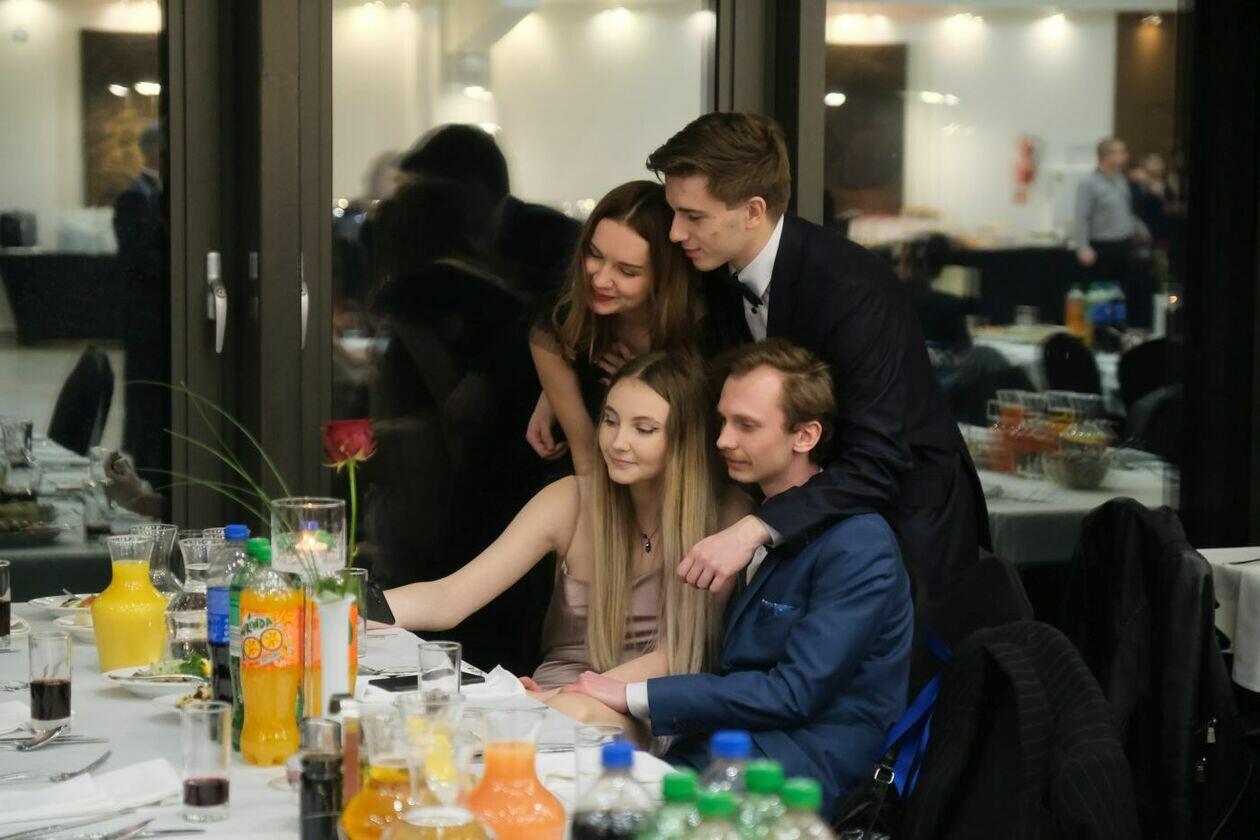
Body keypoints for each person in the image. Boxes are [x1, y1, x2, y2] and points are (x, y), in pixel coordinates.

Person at [644, 112, 987, 606]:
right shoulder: (715, 267)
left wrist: (755, 528)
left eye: (693, 217)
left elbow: (877, 460)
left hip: (906, 520)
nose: (676, 233)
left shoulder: (851, 289)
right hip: (807, 511)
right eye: (674, 213)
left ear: (753, 211)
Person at [562, 340, 913, 816]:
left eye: (746, 425)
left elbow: (793, 694)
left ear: (805, 436)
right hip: (730, 745)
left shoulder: (859, 543)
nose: (724, 440)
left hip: (807, 765)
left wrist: (631, 695)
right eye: (723, 421)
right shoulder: (756, 521)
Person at [382, 351, 750, 698]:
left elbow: (675, 657)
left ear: (686, 438)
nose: (618, 442)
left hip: (642, 699)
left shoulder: (726, 513)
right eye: (610, 421)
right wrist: (352, 609)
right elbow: (448, 598)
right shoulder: (570, 499)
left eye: (644, 429)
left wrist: (553, 700)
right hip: (553, 692)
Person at [527, 180, 726, 475]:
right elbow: (587, 460)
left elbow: (709, 455)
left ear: (664, 278)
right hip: (594, 481)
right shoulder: (560, 327)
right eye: (594, 254)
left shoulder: (712, 329)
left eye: (627, 271)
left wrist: (651, 384)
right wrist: (552, 395)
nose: (600, 280)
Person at [397, 123, 580, 298]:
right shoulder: (451, 243)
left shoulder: (555, 237)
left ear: (475, 187)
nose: (426, 205)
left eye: (435, 193)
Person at [113, 121, 169, 485]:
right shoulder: (134, 199)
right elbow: (138, 258)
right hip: (147, 318)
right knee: (146, 399)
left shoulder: (158, 194)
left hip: (156, 317)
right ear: (158, 154)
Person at [1075, 137, 1151, 325]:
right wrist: (1082, 247)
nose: (1125, 156)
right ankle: (1100, 333)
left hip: (1124, 244)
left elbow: (1126, 210)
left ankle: (1117, 331)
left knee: (1121, 295)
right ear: (1106, 155)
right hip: (1102, 246)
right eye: (1121, 151)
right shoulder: (1089, 183)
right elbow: (1082, 217)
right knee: (1101, 297)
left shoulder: (1121, 180)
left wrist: (1139, 229)